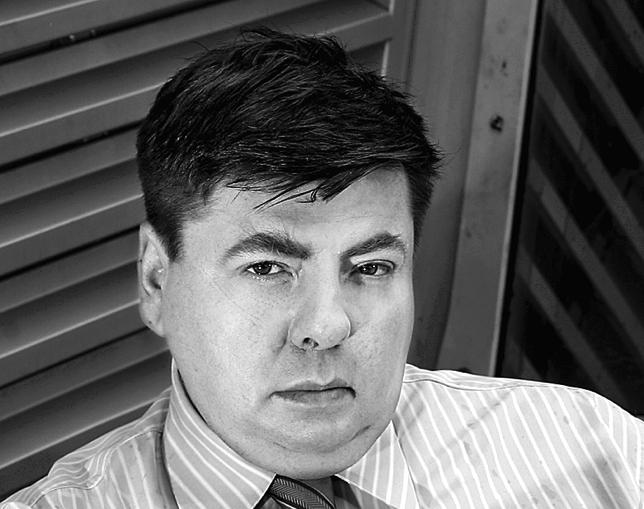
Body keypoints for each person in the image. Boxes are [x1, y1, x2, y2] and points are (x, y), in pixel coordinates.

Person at [3, 27, 642, 509]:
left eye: (371, 267)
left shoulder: (593, 453)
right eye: (267, 268)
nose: (327, 326)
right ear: (156, 281)